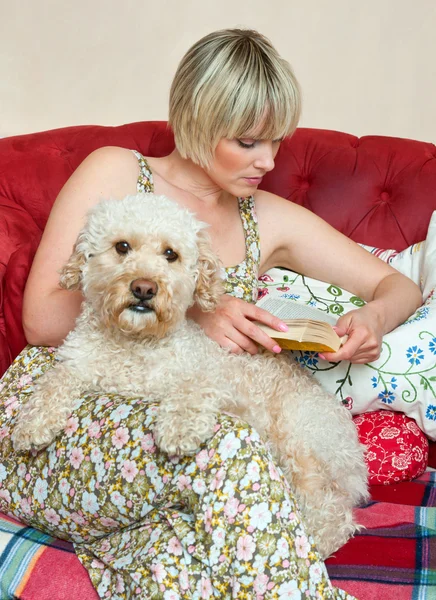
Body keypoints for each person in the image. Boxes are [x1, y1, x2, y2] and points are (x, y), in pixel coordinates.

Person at [0, 28, 422, 600]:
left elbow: (398, 285)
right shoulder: (117, 173)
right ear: (197, 118)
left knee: (196, 532)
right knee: (228, 448)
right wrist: (193, 309)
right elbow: (43, 323)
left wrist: (373, 318)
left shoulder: (266, 218)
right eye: (248, 141)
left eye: (276, 141)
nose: (267, 160)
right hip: (73, 411)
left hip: (177, 434)